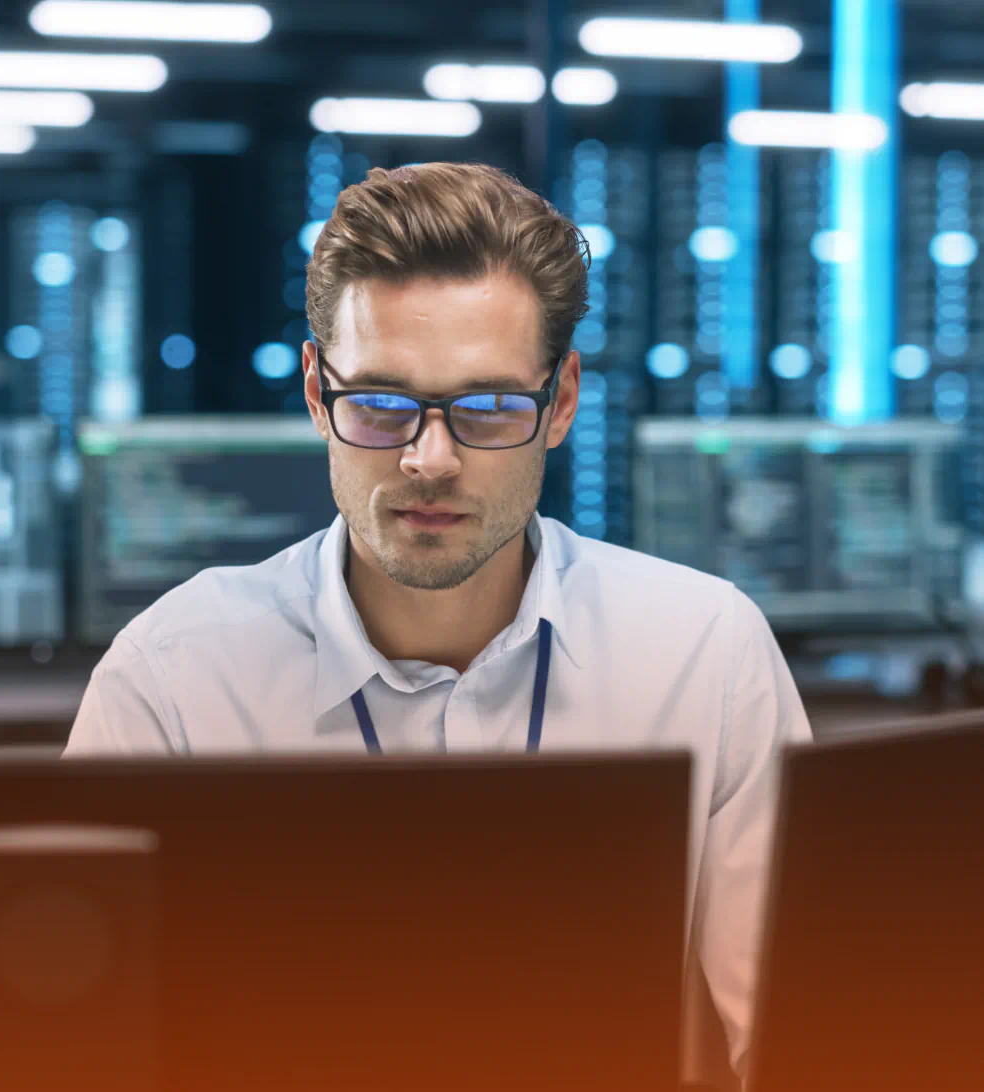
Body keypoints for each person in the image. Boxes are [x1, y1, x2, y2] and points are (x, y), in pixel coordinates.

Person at [65, 161, 812, 1078]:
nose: (429, 460)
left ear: (562, 402)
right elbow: (77, 1046)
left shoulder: (703, 654)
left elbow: (799, 1040)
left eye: (489, 409)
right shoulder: (173, 681)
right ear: (315, 392)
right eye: (379, 406)